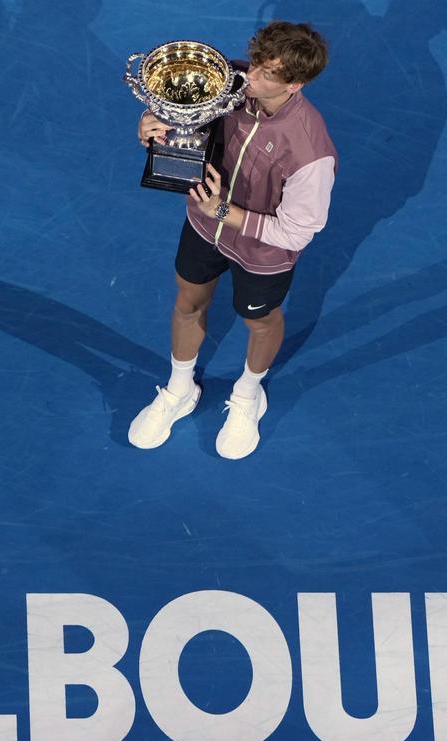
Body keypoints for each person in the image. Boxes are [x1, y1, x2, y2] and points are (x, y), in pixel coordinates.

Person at [128, 21, 337, 459]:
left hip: (263, 252)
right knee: (188, 301)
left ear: (295, 85)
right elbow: (180, 124)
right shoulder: (231, 84)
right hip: (205, 227)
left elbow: (300, 229)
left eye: (266, 74)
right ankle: (180, 388)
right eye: (256, 63)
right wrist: (151, 126)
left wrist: (226, 212)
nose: (250, 77)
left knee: (258, 321)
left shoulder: (310, 151)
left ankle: (248, 394)